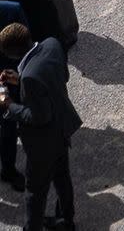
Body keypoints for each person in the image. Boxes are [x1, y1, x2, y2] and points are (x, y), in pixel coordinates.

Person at [0, 22, 80, 231]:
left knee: (34, 193)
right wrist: (20, 80)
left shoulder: (30, 77)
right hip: (62, 127)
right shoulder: (52, 44)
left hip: (43, 143)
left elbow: (37, 116)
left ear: (11, 53)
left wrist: (8, 104)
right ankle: (66, 221)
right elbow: (58, 77)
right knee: (62, 177)